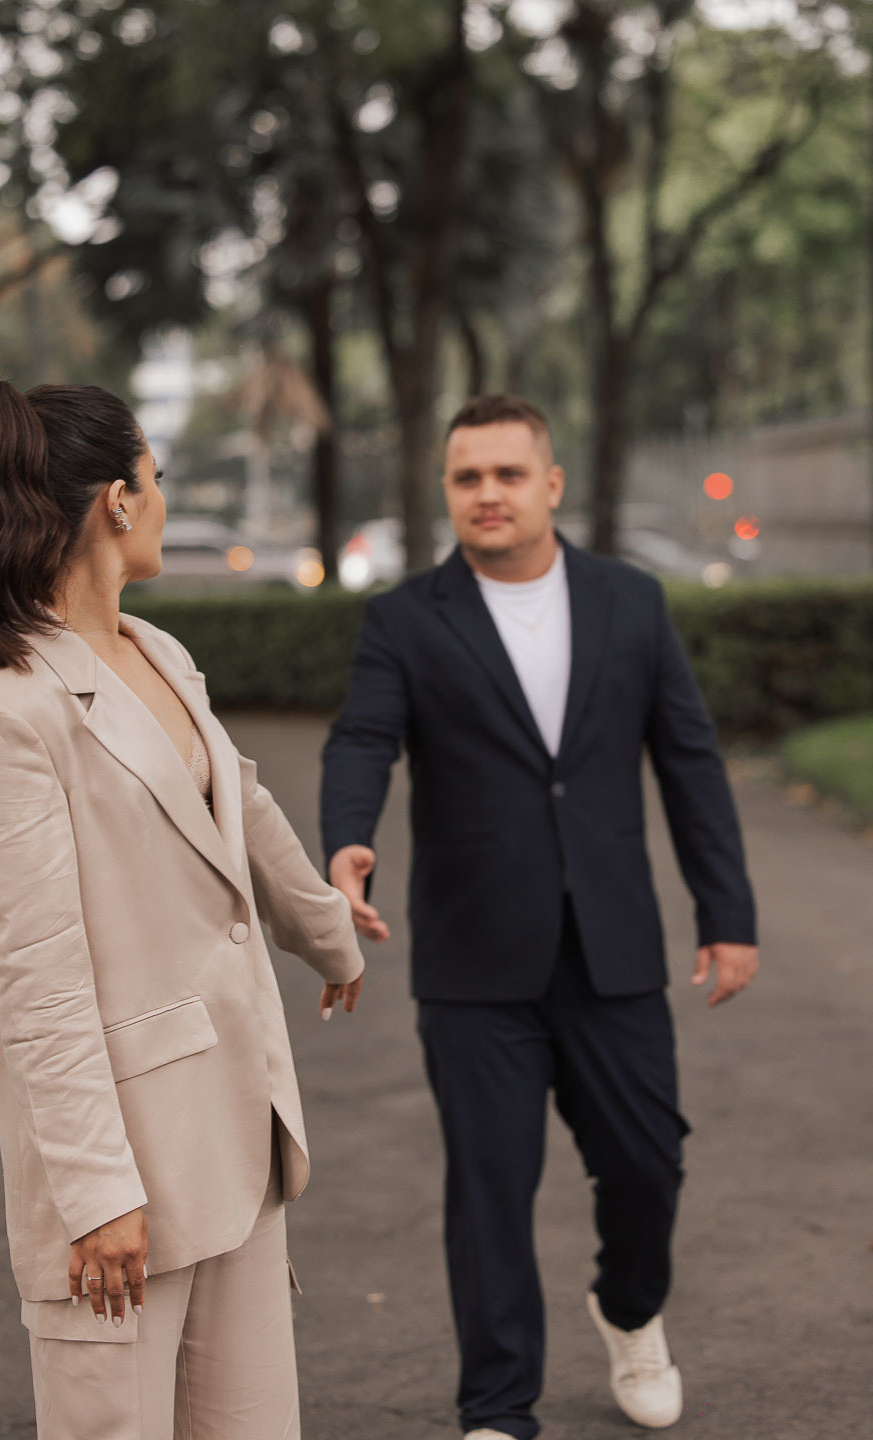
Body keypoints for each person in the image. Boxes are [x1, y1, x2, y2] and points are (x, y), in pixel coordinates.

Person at [0, 376, 364, 1440]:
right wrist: (94, 1192)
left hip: (235, 1135)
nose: (159, 496)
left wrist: (328, 934)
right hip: (120, 1175)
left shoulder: (158, 650)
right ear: (118, 499)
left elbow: (239, 803)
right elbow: (35, 978)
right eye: (155, 477)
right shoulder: (5, 708)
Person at [320, 394, 758, 1439]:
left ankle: (629, 1306)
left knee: (648, 1164)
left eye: (509, 474)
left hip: (612, 949)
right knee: (490, 1190)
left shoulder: (631, 604)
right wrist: (346, 842)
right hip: (474, 959)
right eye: (468, 476)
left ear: (550, 485)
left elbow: (689, 762)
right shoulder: (405, 620)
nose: (488, 494)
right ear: (447, 490)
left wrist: (727, 912)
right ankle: (498, 1406)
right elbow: (361, 739)